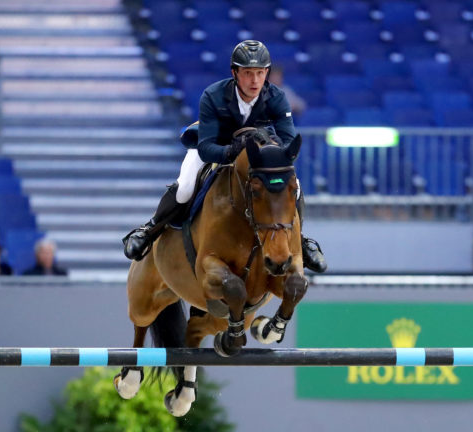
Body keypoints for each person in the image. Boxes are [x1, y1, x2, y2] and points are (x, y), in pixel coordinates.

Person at [122, 40, 327, 272]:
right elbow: (206, 148)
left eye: (260, 73)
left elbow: (288, 142)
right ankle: (148, 230)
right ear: (235, 73)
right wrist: (230, 151)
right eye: (248, 73)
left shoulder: (276, 96)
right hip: (216, 146)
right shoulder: (214, 95)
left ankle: (301, 240)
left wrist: (270, 149)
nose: (255, 81)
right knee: (185, 187)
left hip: (256, 154)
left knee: (294, 186)